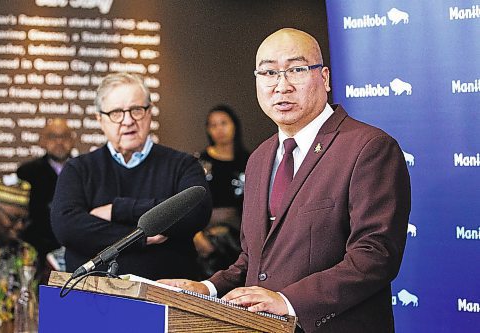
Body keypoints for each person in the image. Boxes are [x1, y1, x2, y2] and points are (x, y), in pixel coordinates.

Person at [160, 28, 411, 332]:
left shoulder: (368, 147)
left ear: (325, 78)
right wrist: (208, 289)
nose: (282, 86)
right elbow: (253, 260)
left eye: (296, 70)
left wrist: (287, 301)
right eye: (268, 72)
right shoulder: (259, 158)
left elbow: (375, 255)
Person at [51, 72, 212, 280]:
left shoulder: (183, 164)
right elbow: (67, 227)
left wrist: (116, 210)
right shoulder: (78, 169)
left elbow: (195, 212)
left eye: (136, 110)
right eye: (116, 113)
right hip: (93, 296)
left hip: (166, 298)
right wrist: (142, 236)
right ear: (100, 119)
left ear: (149, 113)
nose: (127, 121)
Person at [193, 105, 249, 278]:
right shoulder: (200, 163)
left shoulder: (249, 161)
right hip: (208, 240)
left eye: (223, 123)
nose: (219, 129)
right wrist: (197, 237)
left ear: (234, 125)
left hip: (241, 242)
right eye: (213, 125)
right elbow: (189, 204)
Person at [17, 118, 75, 277]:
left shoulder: (86, 171)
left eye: (64, 136)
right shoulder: (27, 172)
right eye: (52, 137)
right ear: (42, 141)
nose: (59, 142)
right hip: (38, 254)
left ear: (73, 140)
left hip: (76, 254)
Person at [0, 174, 37, 330]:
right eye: (13, 218)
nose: (19, 226)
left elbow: (30, 310)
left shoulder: (26, 254)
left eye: (24, 220)